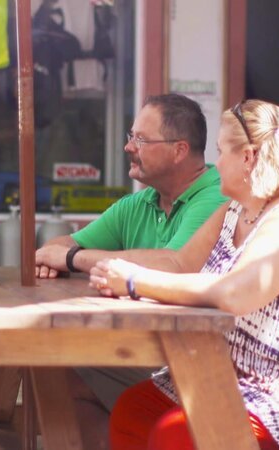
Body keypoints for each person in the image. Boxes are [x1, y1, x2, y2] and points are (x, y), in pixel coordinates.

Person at [90, 100, 279, 449]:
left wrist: (134, 281)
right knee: (135, 411)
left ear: (248, 158)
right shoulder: (236, 210)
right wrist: (96, 265)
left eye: (221, 152)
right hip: (245, 376)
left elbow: (236, 293)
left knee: (179, 434)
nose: (215, 164)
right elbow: (179, 264)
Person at [35, 93, 227, 449]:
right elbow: (60, 246)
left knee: (60, 372)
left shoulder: (216, 196)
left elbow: (176, 265)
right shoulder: (140, 202)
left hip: (198, 361)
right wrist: (62, 255)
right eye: (130, 135)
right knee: (56, 376)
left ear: (179, 150)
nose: (127, 147)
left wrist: (75, 259)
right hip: (149, 349)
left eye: (140, 139)